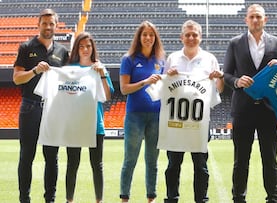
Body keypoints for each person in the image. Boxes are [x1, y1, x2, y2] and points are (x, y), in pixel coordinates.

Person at [222, 4, 277, 203]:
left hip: (269, 110)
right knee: (241, 160)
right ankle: (238, 198)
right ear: (246, 20)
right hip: (243, 109)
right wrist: (237, 82)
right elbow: (226, 75)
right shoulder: (235, 43)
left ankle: (273, 198)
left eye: (259, 16)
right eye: (252, 17)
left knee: (270, 158)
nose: (255, 20)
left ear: (265, 19)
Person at [163, 19, 224, 203]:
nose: (191, 38)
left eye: (195, 34)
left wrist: (219, 77)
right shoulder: (172, 58)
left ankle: (201, 199)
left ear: (201, 37)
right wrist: (168, 75)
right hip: (176, 122)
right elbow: (164, 86)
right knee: (173, 164)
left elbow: (220, 89)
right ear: (181, 37)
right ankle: (172, 198)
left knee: (200, 165)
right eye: (188, 35)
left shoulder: (210, 59)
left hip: (199, 121)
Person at [12, 8, 69, 203]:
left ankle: (50, 199)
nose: (48, 27)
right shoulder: (26, 47)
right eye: (44, 23)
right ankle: (24, 199)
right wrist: (35, 71)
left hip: (53, 108)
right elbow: (17, 79)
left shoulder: (63, 51)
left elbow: (68, 81)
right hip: (30, 107)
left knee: (52, 157)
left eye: (51, 23)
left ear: (56, 26)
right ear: (38, 25)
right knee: (27, 155)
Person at [119, 20, 165, 203]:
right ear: (139, 37)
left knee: (152, 161)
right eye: (144, 35)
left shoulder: (161, 60)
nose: (148, 38)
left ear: (155, 38)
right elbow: (124, 89)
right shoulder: (128, 59)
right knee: (130, 160)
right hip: (135, 116)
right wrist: (145, 82)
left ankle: (151, 198)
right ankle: (124, 197)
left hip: (156, 116)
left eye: (151, 35)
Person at [65, 32, 114, 203]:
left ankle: (99, 200)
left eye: (88, 46)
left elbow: (107, 96)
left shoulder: (100, 67)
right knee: (72, 165)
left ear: (93, 48)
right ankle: (69, 200)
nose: (85, 49)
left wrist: (101, 74)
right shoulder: (69, 69)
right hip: (74, 125)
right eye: (81, 46)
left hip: (95, 124)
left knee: (97, 165)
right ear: (76, 48)